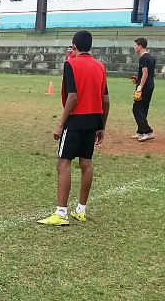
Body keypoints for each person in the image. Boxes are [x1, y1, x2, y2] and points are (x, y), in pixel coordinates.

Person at [38, 30, 109, 226]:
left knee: (63, 163)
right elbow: (106, 100)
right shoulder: (100, 67)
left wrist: (61, 125)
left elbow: (73, 97)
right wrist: (101, 125)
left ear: (74, 47)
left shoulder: (71, 64)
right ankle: (81, 210)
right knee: (86, 163)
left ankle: (61, 213)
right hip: (94, 120)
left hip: (76, 120)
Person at [130, 37, 156, 142]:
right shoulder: (151, 57)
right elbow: (149, 74)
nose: (134, 47)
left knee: (136, 109)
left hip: (144, 87)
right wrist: (138, 79)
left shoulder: (143, 58)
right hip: (150, 85)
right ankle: (141, 132)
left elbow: (145, 74)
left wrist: (140, 87)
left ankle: (148, 132)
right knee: (143, 109)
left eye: (136, 45)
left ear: (140, 46)